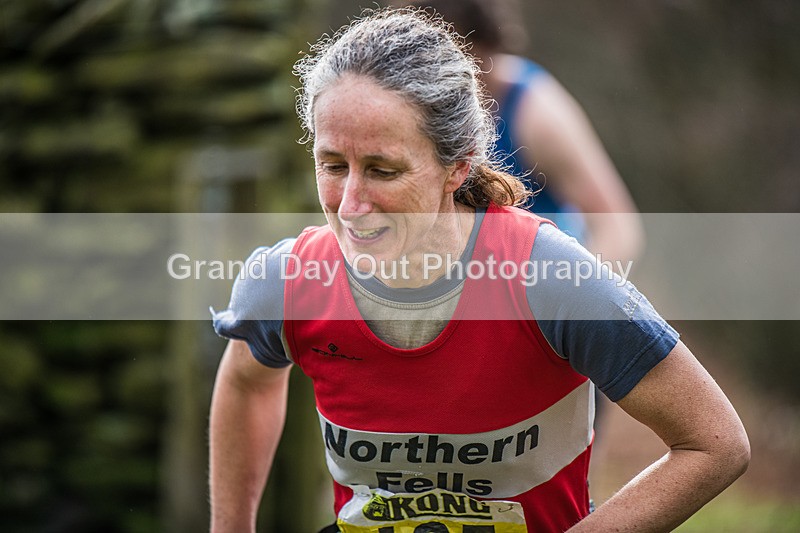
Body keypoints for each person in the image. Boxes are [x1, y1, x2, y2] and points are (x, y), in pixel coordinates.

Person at [209, 8, 749, 532]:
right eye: (332, 166)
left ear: (458, 165)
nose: (350, 204)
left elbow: (715, 443)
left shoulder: (551, 277)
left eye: (382, 170)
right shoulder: (287, 281)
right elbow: (246, 382)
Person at [404, 0, 643, 264]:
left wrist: (570, 292)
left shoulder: (537, 113)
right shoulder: (414, 108)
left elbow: (617, 228)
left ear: (484, 42)